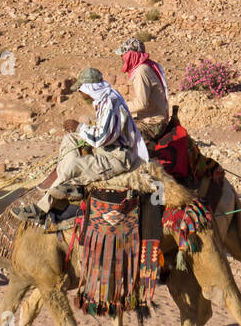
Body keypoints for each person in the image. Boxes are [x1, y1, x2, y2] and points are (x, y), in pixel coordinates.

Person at [15, 67, 149, 220]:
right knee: (70, 139)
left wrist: (79, 127)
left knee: (74, 165)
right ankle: (69, 179)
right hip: (107, 148)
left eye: (80, 89)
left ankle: (41, 209)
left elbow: (101, 138)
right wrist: (78, 131)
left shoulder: (110, 102)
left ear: (89, 88)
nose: (79, 93)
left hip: (116, 156)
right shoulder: (103, 97)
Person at [115, 37, 169, 126]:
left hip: (153, 122)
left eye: (123, 56)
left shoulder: (141, 71)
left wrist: (118, 108)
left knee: (117, 134)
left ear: (130, 56)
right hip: (151, 118)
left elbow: (141, 103)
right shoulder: (147, 66)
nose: (122, 58)